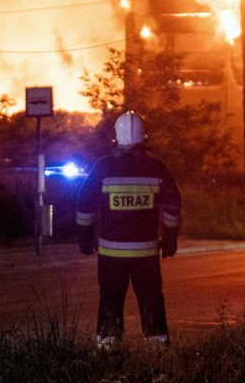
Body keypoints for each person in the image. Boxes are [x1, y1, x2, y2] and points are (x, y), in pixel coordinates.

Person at [76, 110, 182, 347]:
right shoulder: (157, 168)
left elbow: (84, 204)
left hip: (111, 255)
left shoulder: (102, 168)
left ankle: (108, 353)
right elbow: (173, 205)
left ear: (116, 137)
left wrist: (84, 237)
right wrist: (171, 237)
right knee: (151, 301)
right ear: (145, 137)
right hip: (146, 254)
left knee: (111, 301)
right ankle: (156, 354)